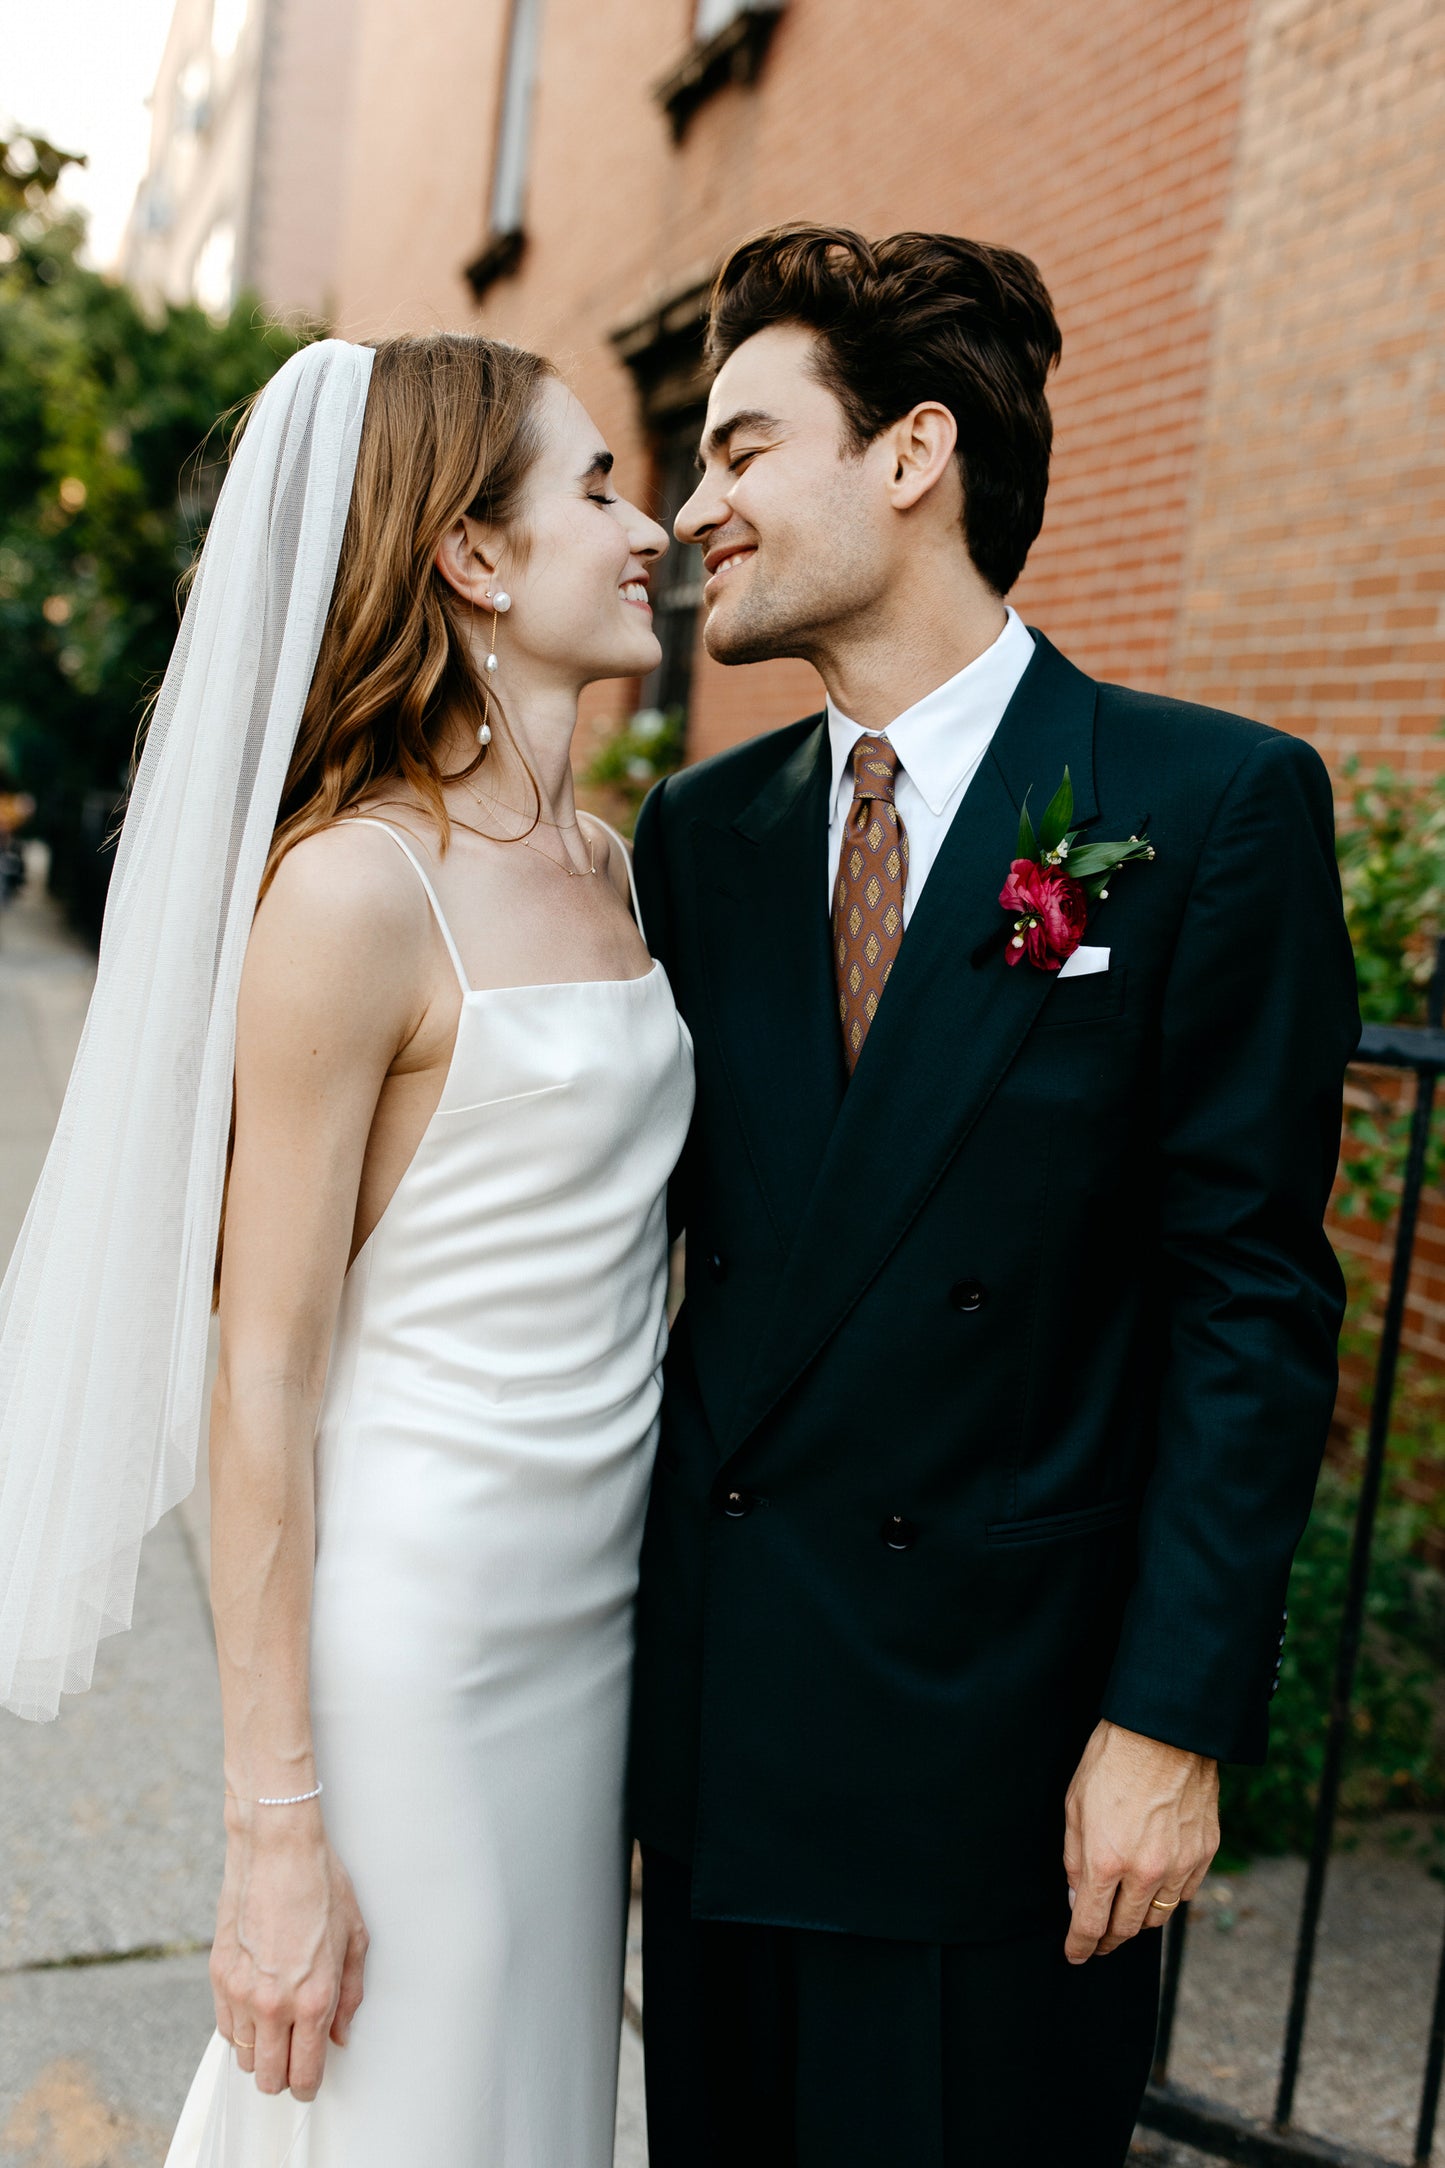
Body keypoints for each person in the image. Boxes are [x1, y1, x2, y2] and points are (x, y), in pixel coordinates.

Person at [629, 225, 1360, 2168]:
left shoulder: (1201, 806)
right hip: (728, 1749)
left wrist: (1171, 1720)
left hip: (1005, 1770)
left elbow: (1250, 1302)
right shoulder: (701, 836)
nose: (698, 505)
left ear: (910, 453)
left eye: (739, 448)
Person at [0, 333, 693, 2165]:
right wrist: (273, 1823)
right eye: (600, 489)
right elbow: (264, 1372)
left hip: (597, 1627)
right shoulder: (349, 893)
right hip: (422, 1647)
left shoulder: (620, 868)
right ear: (470, 558)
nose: (650, 532)